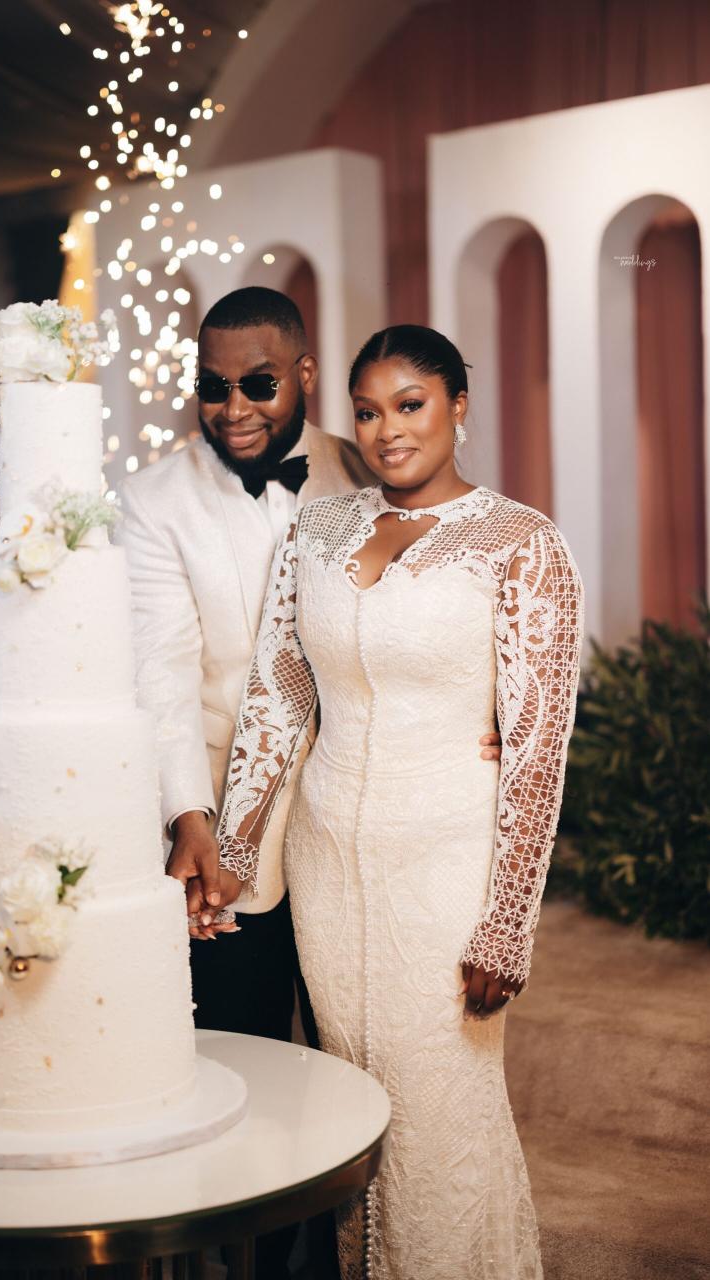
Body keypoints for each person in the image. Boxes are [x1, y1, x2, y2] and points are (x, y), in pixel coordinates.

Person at [120, 293, 502, 1278]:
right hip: (221, 826)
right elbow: (161, 673)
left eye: (256, 384)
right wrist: (191, 815)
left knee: (362, 1066)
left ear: (301, 374)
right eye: (211, 388)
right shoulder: (151, 500)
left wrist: (484, 717)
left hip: (368, 826)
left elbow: (456, 599)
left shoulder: (368, 457)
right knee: (242, 1058)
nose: (232, 408)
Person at [201, 324, 584, 1280]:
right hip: (327, 861)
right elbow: (279, 693)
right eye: (367, 413)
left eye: (410, 405)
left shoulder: (521, 544)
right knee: (352, 1101)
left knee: (440, 1106)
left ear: (458, 405)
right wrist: (236, 850)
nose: (387, 431)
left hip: (447, 860)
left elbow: (536, 752)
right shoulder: (317, 531)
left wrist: (507, 924)